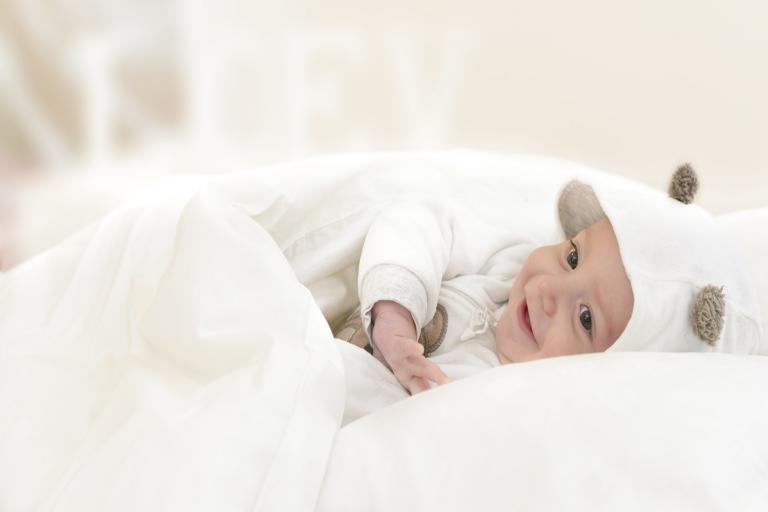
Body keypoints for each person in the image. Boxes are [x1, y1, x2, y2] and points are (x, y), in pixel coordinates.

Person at [334, 164, 763, 396]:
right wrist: (395, 306)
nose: (547, 290)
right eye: (573, 257)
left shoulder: (510, 398)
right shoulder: (507, 261)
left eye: (586, 319)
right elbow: (420, 218)